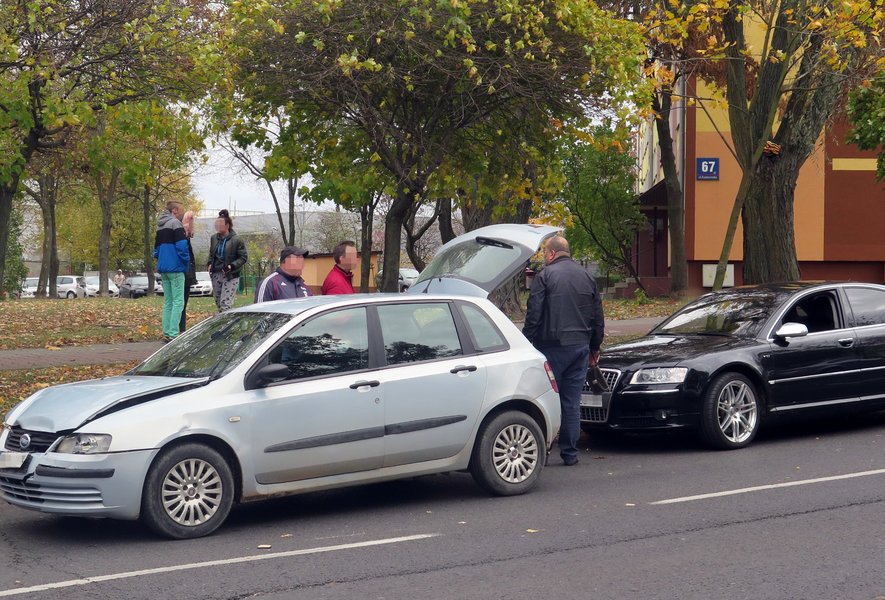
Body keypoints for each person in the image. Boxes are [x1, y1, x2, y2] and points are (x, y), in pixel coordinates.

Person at [522, 235, 605, 466]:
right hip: (580, 347)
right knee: (571, 401)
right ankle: (570, 453)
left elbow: (534, 314)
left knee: (544, 399)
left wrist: (526, 344)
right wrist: (594, 347)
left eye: (544, 254)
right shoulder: (587, 276)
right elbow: (598, 317)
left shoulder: (545, 276)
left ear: (550, 254)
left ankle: (542, 452)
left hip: (551, 347)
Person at [153, 201, 190, 342]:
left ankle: (167, 332)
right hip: (175, 267)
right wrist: (186, 261)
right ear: (174, 210)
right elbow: (181, 246)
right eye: (181, 211)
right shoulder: (175, 224)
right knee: (178, 301)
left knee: (168, 301)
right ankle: (174, 334)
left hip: (163, 267)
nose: (182, 214)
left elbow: (156, 250)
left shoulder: (159, 226)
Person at [207, 209, 247, 313]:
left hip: (230, 275)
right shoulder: (214, 238)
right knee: (219, 303)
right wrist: (210, 263)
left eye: (221, 224)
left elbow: (243, 257)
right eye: (217, 224)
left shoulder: (237, 240)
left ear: (227, 225)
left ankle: (227, 326)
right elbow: (211, 254)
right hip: (216, 273)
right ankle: (224, 325)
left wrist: (231, 266)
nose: (218, 226)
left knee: (226, 304)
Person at [179, 210, 197, 333]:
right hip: (184, 272)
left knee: (182, 302)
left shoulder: (186, 235)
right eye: (190, 220)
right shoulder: (182, 233)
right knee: (180, 302)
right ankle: (180, 328)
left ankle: (181, 328)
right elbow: (183, 253)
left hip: (187, 273)